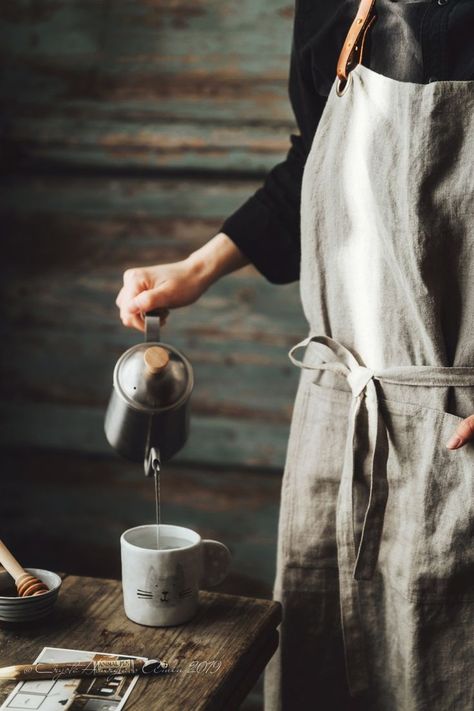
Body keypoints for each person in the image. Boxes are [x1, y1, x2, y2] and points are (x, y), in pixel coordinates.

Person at [116, 1, 474, 708]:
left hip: (456, 426)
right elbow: (313, 159)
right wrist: (199, 266)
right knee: (323, 666)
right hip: (338, 413)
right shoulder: (334, 8)